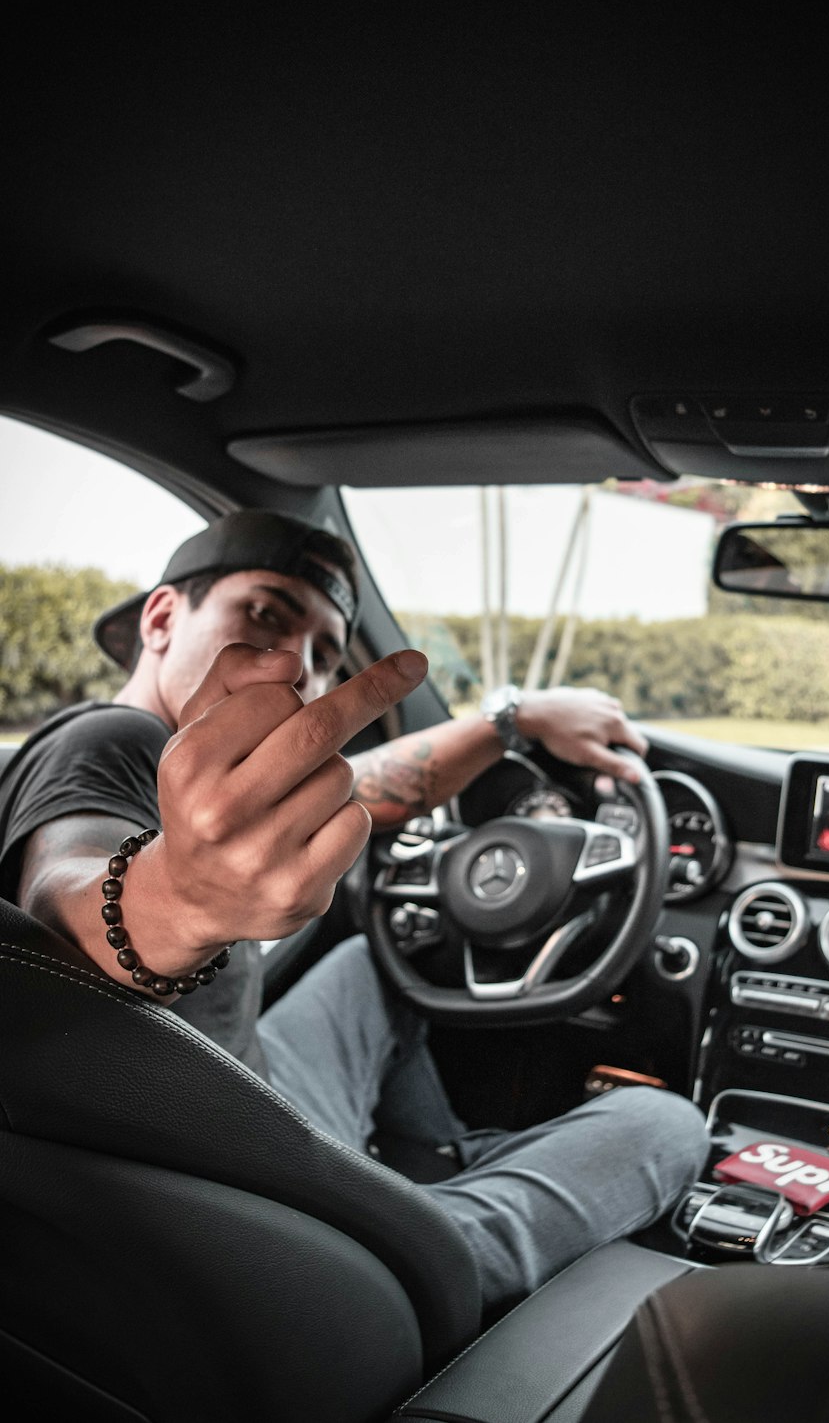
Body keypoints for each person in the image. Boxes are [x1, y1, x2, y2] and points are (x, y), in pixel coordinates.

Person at [0, 509, 708, 1316]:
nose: (298, 665)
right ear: (161, 617)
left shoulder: (185, 769)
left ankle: (432, 1167)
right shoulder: (112, 740)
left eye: (327, 652)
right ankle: (429, 1238)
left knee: (373, 967)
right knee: (666, 1121)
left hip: (237, 1094)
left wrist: (514, 721)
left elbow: (368, 786)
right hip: (247, 1203)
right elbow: (63, 897)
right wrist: (177, 903)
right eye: (265, 616)